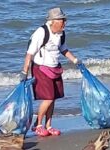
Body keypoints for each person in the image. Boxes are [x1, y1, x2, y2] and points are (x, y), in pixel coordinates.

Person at [20, 7, 81, 136]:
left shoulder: (61, 33)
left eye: (64, 20)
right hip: (41, 69)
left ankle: (48, 126)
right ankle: (38, 125)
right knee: (48, 98)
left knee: (53, 99)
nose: (64, 23)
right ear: (53, 21)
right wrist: (24, 72)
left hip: (55, 68)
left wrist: (76, 61)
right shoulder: (41, 32)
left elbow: (63, 49)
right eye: (62, 20)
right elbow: (29, 54)